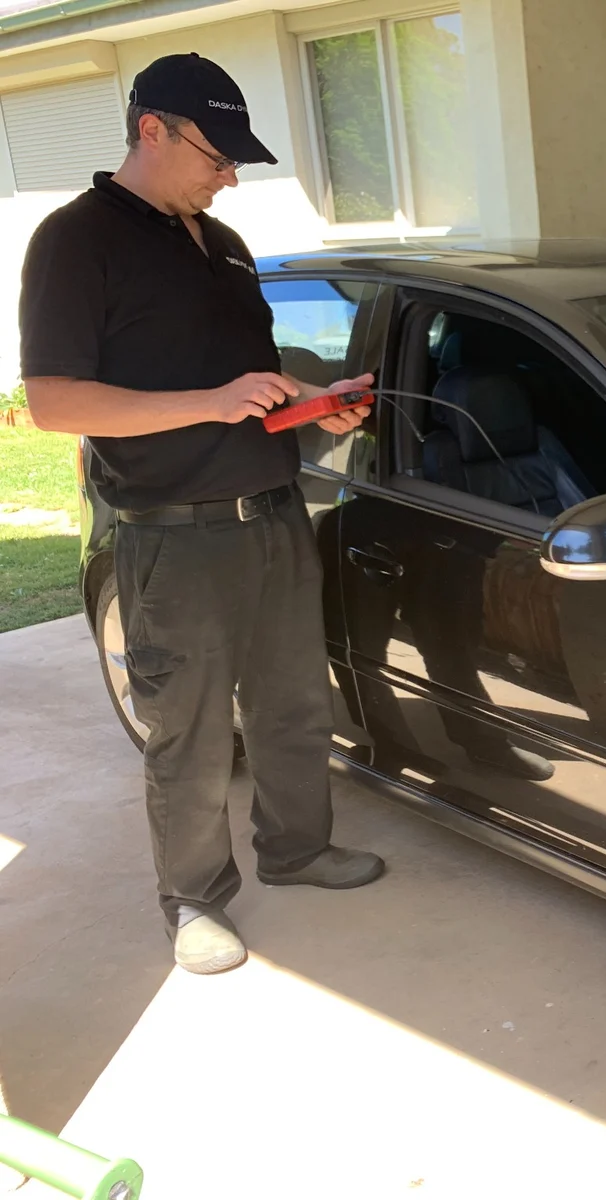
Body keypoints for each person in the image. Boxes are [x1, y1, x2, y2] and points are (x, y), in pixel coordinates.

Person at [19, 53, 384, 975]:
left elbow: (249, 378)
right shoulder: (76, 239)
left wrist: (315, 398)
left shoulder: (218, 244)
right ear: (153, 130)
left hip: (270, 515)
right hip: (172, 537)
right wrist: (211, 403)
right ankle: (193, 901)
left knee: (295, 705)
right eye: (217, 158)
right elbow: (56, 401)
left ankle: (298, 850)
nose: (228, 177)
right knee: (186, 732)